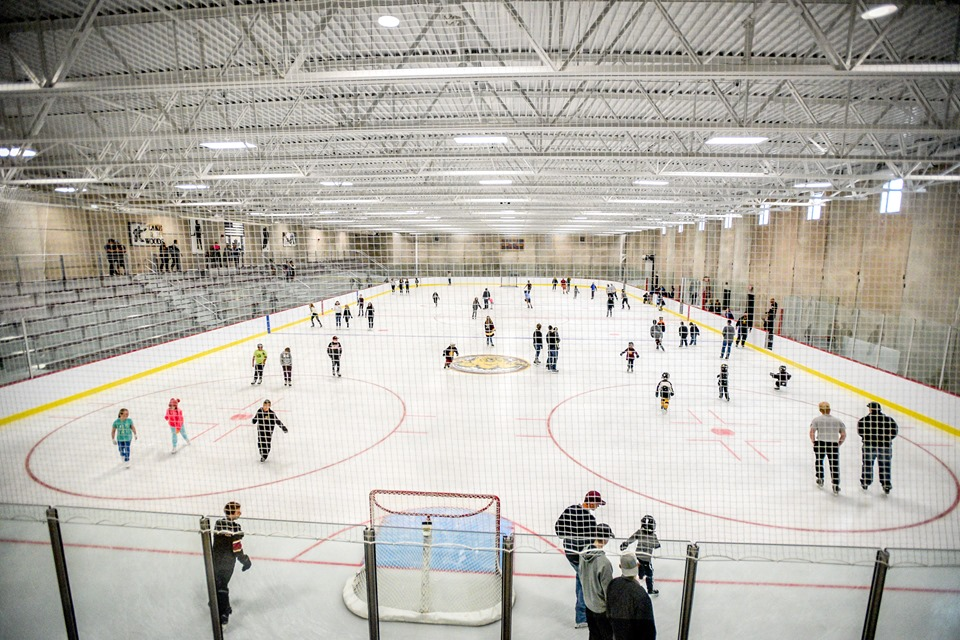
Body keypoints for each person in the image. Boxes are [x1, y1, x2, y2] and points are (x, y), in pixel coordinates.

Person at [555, 491, 606, 629]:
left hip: (570, 553)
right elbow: (590, 543)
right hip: (581, 557)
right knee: (583, 582)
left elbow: (558, 531)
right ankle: (582, 617)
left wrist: (570, 536)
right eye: (597, 504)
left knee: (581, 579)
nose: (597, 506)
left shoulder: (570, 510)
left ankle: (583, 615)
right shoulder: (590, 520)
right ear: (592, 502)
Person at [213, 501, 252, 627]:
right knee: (223, 584)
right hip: (227, 562)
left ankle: (220, 604)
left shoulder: (218, 523)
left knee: (219, 583)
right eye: (238, 511)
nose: (240, 513)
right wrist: (245, 560)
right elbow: (236, 549)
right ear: (233, 512)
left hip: (215, 559)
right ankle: (224, 613)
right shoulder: (236, 528)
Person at [607, 553, 657, 640]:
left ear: (620, 566)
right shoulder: (640, 594)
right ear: (637, 565)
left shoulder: (613, 584)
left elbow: (609, 611)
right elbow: (648, 629)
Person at [581, 523, 616, 640]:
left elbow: (581, 575)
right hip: (601, 610)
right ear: (606, 540)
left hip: (588, 603)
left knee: (593, 635)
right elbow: (609, 592)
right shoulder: (604, 563)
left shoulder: (583, 552)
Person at [858, 402, 899, 495]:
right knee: (885, 465)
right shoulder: (888, 420)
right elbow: (894, 431)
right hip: (885, 446)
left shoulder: (864, 420)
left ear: (871, 409)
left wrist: (867, 438)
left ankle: (866, 481)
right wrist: (887, 439)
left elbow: (860, 431)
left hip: (869, 445)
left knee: (867, 463)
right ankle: (886, 483)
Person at [620, 514, 661, 596]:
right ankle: (650, 589)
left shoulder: (640, 532)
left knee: (640, 565)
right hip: (646, 558)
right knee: (649, 573)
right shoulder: (653, 536)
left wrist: (625, 544)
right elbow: (657, 545)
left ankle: (641, 575)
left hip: (638, 555)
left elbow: (632, 538)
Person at [810, 401, 846, 494]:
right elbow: (843, 434)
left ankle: (820, 477)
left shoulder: (816, 420)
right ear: (829, 410)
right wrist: (838, 443)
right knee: (834, 464)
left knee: (819, 460)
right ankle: (835, 484)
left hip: (821, 443)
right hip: (833, 444)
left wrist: (814, 442)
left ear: (820, 410)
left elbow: (812, 432)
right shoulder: (837, 421)